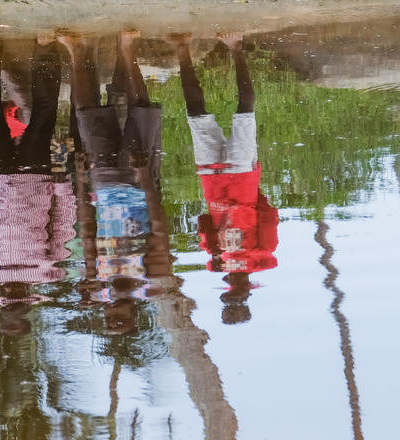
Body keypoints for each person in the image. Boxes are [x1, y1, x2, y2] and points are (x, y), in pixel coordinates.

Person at [0, 36, 75, 334]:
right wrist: (63, 189)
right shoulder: (50, 268)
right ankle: (45, 50)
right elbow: (63, 224)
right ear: (26, 304)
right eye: (18, 305)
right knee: (45, 112)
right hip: (36, 179)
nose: (12, 298)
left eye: (8, 304)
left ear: (1, 303)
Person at [58, 30, 167, 335]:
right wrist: (145, 179)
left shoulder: (98, 284)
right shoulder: (150, 281)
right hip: (137, 187)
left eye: (109, 322)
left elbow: (89, 236)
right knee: (141, 110)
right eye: (122, 323)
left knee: (87, 114)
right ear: (135, 317)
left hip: (103, 187)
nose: (113, 318)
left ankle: (77, 51)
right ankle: (127, 49)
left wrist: (81, 183)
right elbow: (158, 227)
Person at [169, 32, 279, 325]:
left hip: (212, 178)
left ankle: (182, 48)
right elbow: (268, 217)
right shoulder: (262, 257)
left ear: (224, 296)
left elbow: (204, 223)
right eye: (238, 299)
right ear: (247, 295)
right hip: (240, 176)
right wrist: (252, 189)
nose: (235, 292)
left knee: (196, 115)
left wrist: (216, 249)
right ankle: (236, 47)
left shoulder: (215, 262)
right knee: (245, 113)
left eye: (229, 299)